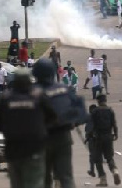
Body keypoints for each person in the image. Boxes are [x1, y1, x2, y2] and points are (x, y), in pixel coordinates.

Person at [0, 69, 57, 188]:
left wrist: (8, 132)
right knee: (35, 182)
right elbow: (52, 118)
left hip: (13, 149)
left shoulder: (5, 98)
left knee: (17, 183)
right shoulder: (39, 96)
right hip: (35, 147)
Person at [33, 59, 87, 188]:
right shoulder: (63, 89)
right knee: (66, 177)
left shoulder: (30, 92)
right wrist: (72, 122)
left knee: (43, 178)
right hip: (62, 137)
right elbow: (81, 113)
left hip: (40, 139)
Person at [88, 94, 121, 187]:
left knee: (97, 159)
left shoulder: (95, 111)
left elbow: (92, 126)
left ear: (98, 101)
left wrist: (89, 135)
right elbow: (114, 124)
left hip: (98, 138)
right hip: (108, 137)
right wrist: (116, 134)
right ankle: (115, 171)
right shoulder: (110, 110)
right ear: (105, 101)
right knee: (109, 158)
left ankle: (103, 179)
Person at [84, 104, 98, 178]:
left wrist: (87, 138)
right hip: (99, 138)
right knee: (98, 155)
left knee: (92, 155)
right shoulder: (99, 116)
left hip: (91, 138)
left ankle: (92, 170)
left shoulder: (89, 117)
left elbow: (88, 129)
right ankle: (101, 173)